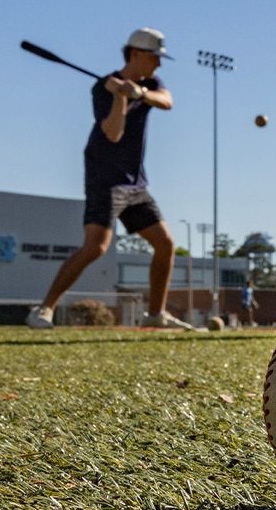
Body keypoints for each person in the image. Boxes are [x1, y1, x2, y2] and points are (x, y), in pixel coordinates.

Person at [26, 28, 192, 330]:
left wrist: (138, 92)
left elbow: (167, 101)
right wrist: (119, 97)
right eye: (156, 57)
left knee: (165, 243)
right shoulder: (102, 88)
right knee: (95, 247)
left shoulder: (151, 84)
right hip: (105, 176)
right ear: (136, 54)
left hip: (135, 182)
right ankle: (44, 309)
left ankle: (155, 315)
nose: (159, 64)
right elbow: (113, 133)